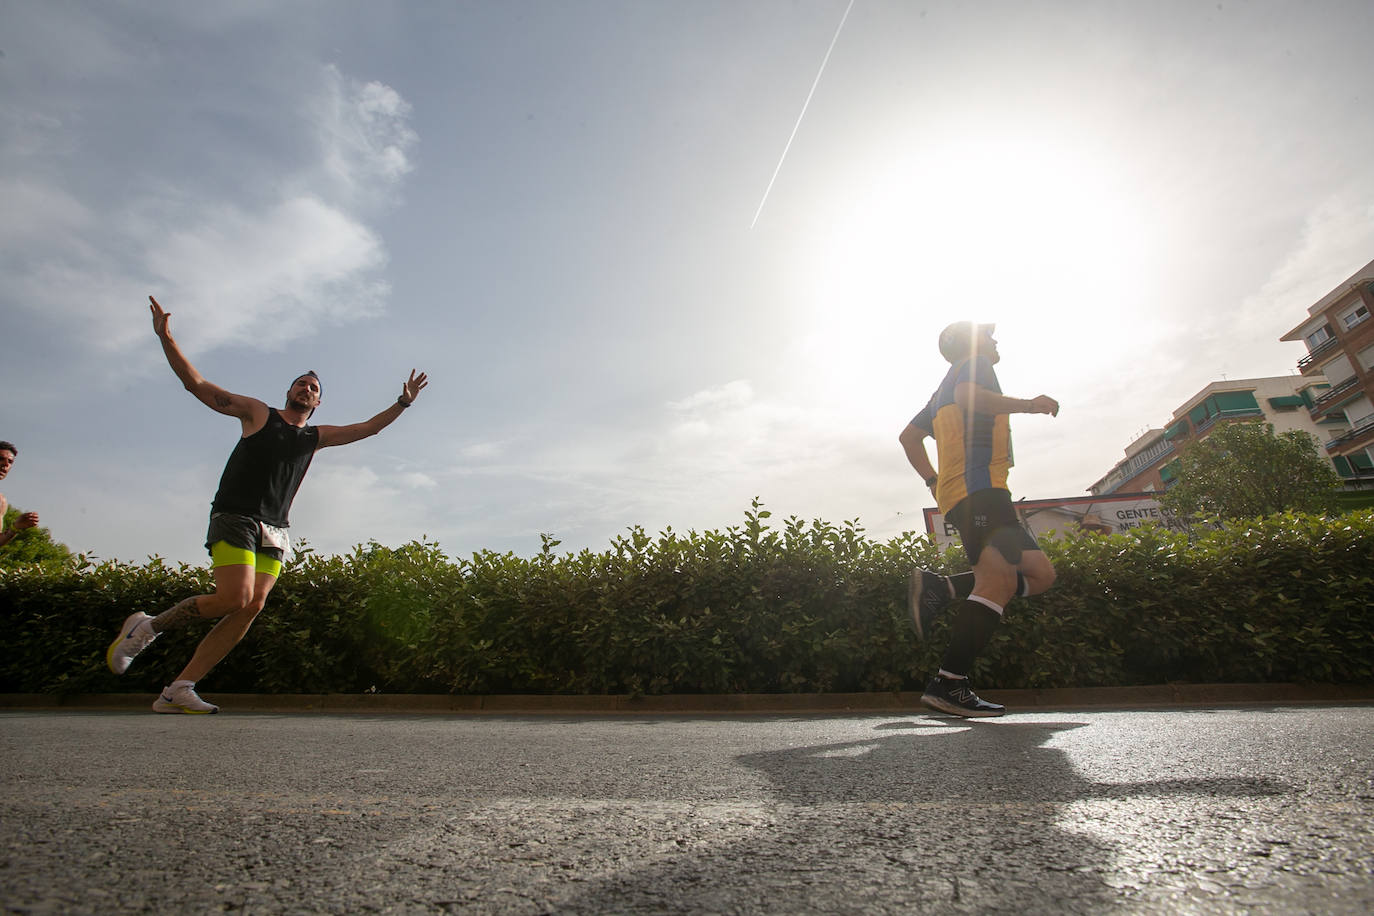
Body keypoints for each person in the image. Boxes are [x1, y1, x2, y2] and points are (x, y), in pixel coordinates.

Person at [106, 296, 429, 714]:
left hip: (276, 528)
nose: (306, 389)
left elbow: (367, 428)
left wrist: (403, 403)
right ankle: (148, 627)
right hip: (236, 516)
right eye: (301, 384)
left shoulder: (316, 437)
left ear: (318, 402)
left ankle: (178, 688)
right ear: (289, 391)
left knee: (252, 606)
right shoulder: (259, 414)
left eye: (314, 388)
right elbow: (198, 386)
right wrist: (166, 338)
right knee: (234, 598)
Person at [898, 321, 1058, 717]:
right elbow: (971, 399)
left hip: (971, 493)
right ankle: (949, 683)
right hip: (980, 491)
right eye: (988, 334)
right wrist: (1030, 405)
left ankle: (943, 588)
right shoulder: (975, 363)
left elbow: (908, 437)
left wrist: (933, 481)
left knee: (1040, 575)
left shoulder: (940, 391)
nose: (994, 339)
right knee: (998, 581)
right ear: (971, 343)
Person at [0, 441, 41, 548]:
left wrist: (15, 527)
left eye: (10, 462)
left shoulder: (1, 501)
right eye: (1, 458)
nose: (6, 464)